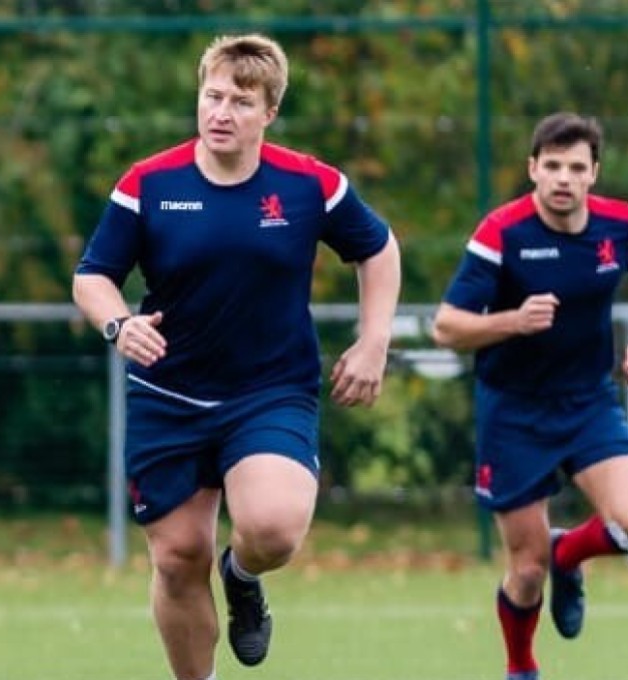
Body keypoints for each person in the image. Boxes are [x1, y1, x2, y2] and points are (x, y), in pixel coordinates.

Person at [72, 34, 400, 680]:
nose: (221, 111)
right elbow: (92, 276)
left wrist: (373, 340)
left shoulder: (310, 185)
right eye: (212, 96)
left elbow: (379, 249)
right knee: (176, 558)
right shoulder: (149, 184)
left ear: (268, 113)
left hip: (269, 390)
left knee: (273, 527)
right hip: (169, 394)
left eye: (241, 100)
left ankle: (243, 574)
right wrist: (118, 324)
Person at [433, 112, 628, 680]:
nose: (563, 178)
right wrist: (513, 322)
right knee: (526, 568)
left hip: (589, 403)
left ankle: (572, 553)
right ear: (532, 170)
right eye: (551, 166)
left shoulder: (616, 224)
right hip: (514, 412)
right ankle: (521, 667)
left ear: (594, 174)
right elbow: (447, 327)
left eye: (575, 167)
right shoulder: (502, 232)